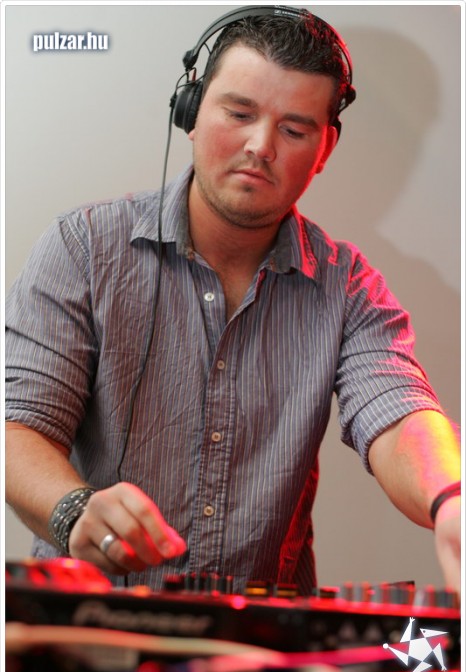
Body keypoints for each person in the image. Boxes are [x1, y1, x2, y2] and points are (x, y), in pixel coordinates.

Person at [5, 6, 460, 596]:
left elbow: (398, 413)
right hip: (86, 628)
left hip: (257, 643)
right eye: (240, 113)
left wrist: (451, 500)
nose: (260, 146)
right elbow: (17, 428)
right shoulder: (82, 248)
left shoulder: (348, 286)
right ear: (190, 113)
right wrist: (74, 509)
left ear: (324, 148)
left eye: (294, 130)